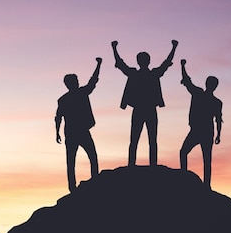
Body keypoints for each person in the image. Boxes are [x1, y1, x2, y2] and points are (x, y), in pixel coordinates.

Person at [111, 39, 178, 167]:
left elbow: (121, 64)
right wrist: (174, 48)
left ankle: (137, 165)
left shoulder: (141, 74)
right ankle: (145, 165)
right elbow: (166, 64)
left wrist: (114, 48)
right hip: (146, 110)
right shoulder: (148, 74)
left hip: (144, 110)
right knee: (145, 140)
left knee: (140, 140)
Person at [55, 57, 102, 193]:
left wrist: (57, 132)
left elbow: (93, 81)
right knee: (81, 159)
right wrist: (57, 132)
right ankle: (75, 187)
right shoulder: (77, 95)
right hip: (77, 132)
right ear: (70, 84)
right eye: (74, 81)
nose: (76, 83)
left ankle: (77, 187)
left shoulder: (65, 99)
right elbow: (58, 117)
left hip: (74, 132)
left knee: (79, 159)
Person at [179, 59, 223, 190]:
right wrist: (183, 67)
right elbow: (187, 81)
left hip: (202, 131)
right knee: (202, 158)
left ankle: (202, 184)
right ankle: (204, 184)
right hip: (203, 131)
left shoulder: (202, 95)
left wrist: (182, 66)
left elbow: (219, 119)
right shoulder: (212, 100)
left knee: (186, 153)